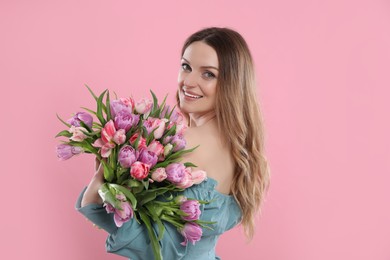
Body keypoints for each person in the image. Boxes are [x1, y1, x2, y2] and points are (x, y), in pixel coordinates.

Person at [76, 27, 270, 259]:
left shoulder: (183, 142)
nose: (188, 81)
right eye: (186, 67)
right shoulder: (241, 149)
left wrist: (95, 200)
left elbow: (162, 248)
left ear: (232, 83)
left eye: (208, 74)